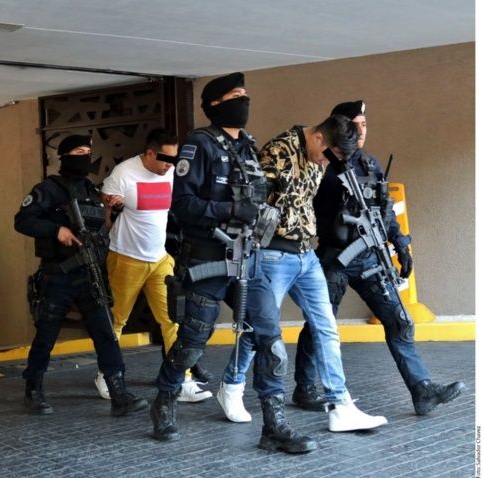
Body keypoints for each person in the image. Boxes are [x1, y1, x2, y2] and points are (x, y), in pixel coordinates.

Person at [150, 73, 316, 453]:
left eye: (245, 94)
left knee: (270, 341)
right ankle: (165, 399)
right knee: (193, 342)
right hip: (208, 258)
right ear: (214, 105)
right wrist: (229, 210)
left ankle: (274, 426)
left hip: (249, 259)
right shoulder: (199, 145)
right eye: (235, 95)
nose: (244, 100)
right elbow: (182, 205)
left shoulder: (248, 146)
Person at [292, 100, 465, 415]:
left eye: (364, 124)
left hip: (369, 257)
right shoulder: (320, 164)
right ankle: (304, 388)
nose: (361, 131)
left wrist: (400, 245)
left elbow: (384, 210)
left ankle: (422, 390)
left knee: (399, 321)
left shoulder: (370, 165)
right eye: (354, 125)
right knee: (320, 324)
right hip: (334, 259)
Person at [225, 113, 389, 433]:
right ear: (318, 138)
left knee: (326, 327)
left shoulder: (322, 155)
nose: (327, 162)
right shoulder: (277, 151)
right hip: (273, 255)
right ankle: (231, 386)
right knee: (258, 329)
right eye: (328, 155)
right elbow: (251, 204)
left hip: (306, 255)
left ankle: (340, 405)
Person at [15, 134, 148, 417]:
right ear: (64, 157)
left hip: (90, 275)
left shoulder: (92, 190)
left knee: (106, 333)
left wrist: (110, 211)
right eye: (79, 152)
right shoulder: (48, 189)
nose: (86, 157)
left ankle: (118, 393)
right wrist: (56, 230)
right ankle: (33, 389)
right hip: (58, 276)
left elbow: (101, 231)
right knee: (46, 335)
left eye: (88, 152)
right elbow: (22, 220)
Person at [98, 128, 211, 403]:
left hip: (160, 259)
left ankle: (181, 380)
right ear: (150, 153)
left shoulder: (172, 173)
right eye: (166, 159)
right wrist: (112, 205)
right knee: (116, 320)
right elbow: (106, 211)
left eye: (174, 159)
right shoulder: (124, 173)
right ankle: (107, 375)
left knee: (173, 319)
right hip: (126, 257)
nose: (170, 165)